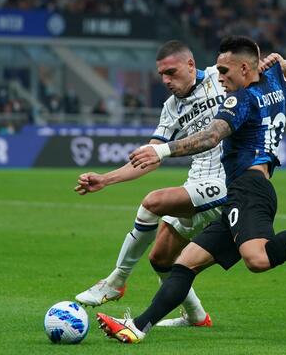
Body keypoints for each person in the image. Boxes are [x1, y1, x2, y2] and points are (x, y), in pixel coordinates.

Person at [96, 35, 286, 344]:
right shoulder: (276, 87)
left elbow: (210, 137)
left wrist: (161, 150)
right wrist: (281, 64)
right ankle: (137, 327)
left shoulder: (240, 99)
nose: (220, 77)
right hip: (244, 190)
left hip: (249, 188)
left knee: (258, 259)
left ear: (245, 68)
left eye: (225, 71)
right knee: (185, 262)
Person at [73, 40, 229, 327]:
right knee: (161, 258)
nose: (166, 80)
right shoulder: (171, 108)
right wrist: (105, 179)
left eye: (171, 72)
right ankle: (196, 317)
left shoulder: (220, 77)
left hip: (228, 180)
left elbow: (252, 68)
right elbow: (151, 156)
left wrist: (280, 66)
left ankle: (116, 281)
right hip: (198, 181)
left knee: (152, 202)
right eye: (161, 75)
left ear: (191, 65)